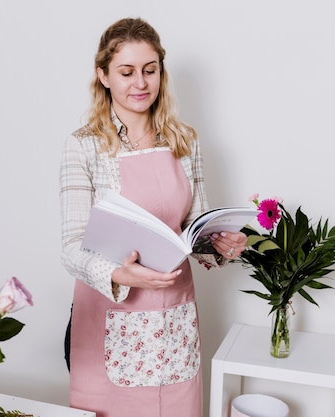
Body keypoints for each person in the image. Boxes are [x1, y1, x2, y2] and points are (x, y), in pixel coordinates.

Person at [59, 17, 247, 417]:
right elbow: (71, 249)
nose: (140, 83)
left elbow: (196, 228)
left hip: (174, 319)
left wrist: (221, 245)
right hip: (112, 317)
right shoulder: (84, 147)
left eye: (150, 70)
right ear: (103, 75)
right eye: (126, 72)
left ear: (161, 70)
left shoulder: (184, 141)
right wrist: (119, 274)